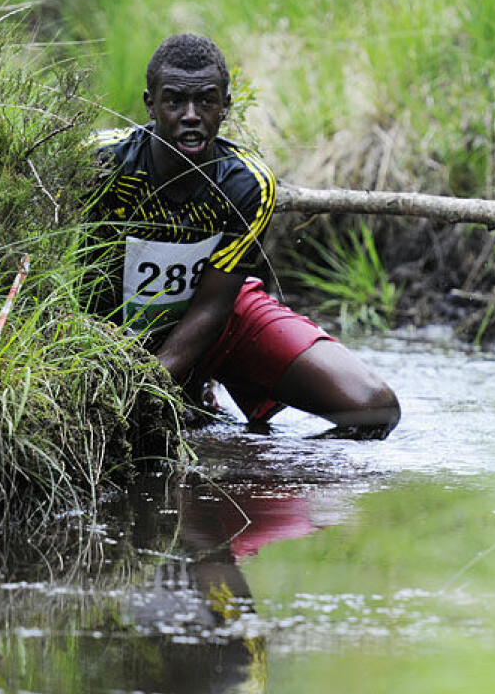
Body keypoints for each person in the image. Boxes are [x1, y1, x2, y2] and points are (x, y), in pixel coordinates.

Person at [86, 33, 400, 438]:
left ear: (226, 107)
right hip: (117, 323)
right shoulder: (100, 163)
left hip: (219, 316)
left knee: (375, 409)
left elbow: (214, 307)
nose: (191, 115)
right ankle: (191, 396)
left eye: (206, 101)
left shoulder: (247, 184)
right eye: (174, 101)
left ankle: (258, 459)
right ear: (150, 105)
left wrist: (145, 386)